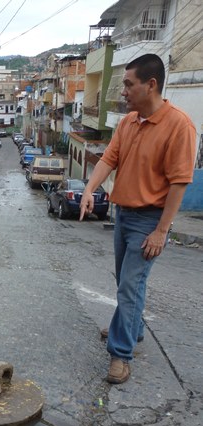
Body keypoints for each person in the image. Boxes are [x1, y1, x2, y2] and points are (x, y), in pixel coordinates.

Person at [79, 54, 196, 384]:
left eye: (129, 84)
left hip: (149, 220)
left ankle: (120, 354)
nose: (124, 91)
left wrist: (162, 231)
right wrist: (89, 188)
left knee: (130, 286)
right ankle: (130, 326)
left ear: (151, 85)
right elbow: (108, 160)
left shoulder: (179, 126)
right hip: (123, 214)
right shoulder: (128, 122)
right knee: (125, 282)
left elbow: (179, 183)